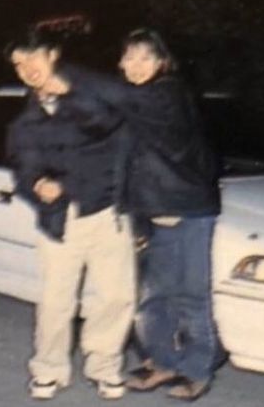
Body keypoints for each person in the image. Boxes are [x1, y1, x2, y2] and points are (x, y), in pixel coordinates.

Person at [4, 26, 135, 401]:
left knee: (115, 296)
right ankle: (48, 370)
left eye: (33, 57)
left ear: (53, 54)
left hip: (107, 211)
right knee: (56, 300)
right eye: (18, 64)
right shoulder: (25, 122)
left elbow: (110, 123)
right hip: (61, 219)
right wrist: (38, 185)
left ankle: (105, 367)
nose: (27, 68)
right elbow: (23, 168)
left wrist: (71, 93)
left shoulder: (92, 93)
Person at [95, 28, 222, 401]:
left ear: (162, 62)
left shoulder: (167, 95)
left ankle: (196, 370)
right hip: (155, 209)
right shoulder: (134, 102)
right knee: (154, 296)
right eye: (129, 57)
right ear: (121, 61)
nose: (136, 66)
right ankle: (162, 362)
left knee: (191, 294)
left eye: (145, 58)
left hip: (188, 206)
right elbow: (126, 163)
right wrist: (134, 216)